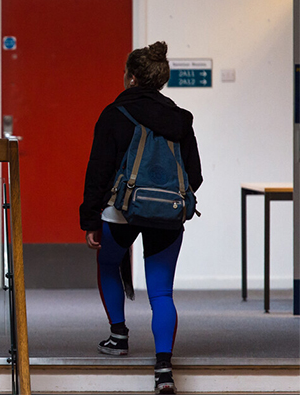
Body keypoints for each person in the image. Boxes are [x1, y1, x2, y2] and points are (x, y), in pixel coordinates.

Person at [79, 41, 202, 394]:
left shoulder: (115, 114)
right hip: (168, 215)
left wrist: (90, 220)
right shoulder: (181, 119)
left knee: (107, 264)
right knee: (161, 292)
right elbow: (194, 175)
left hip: (121, 211)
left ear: (131, 77)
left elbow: (98, 172)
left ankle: (119, 335)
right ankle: (164, 368)